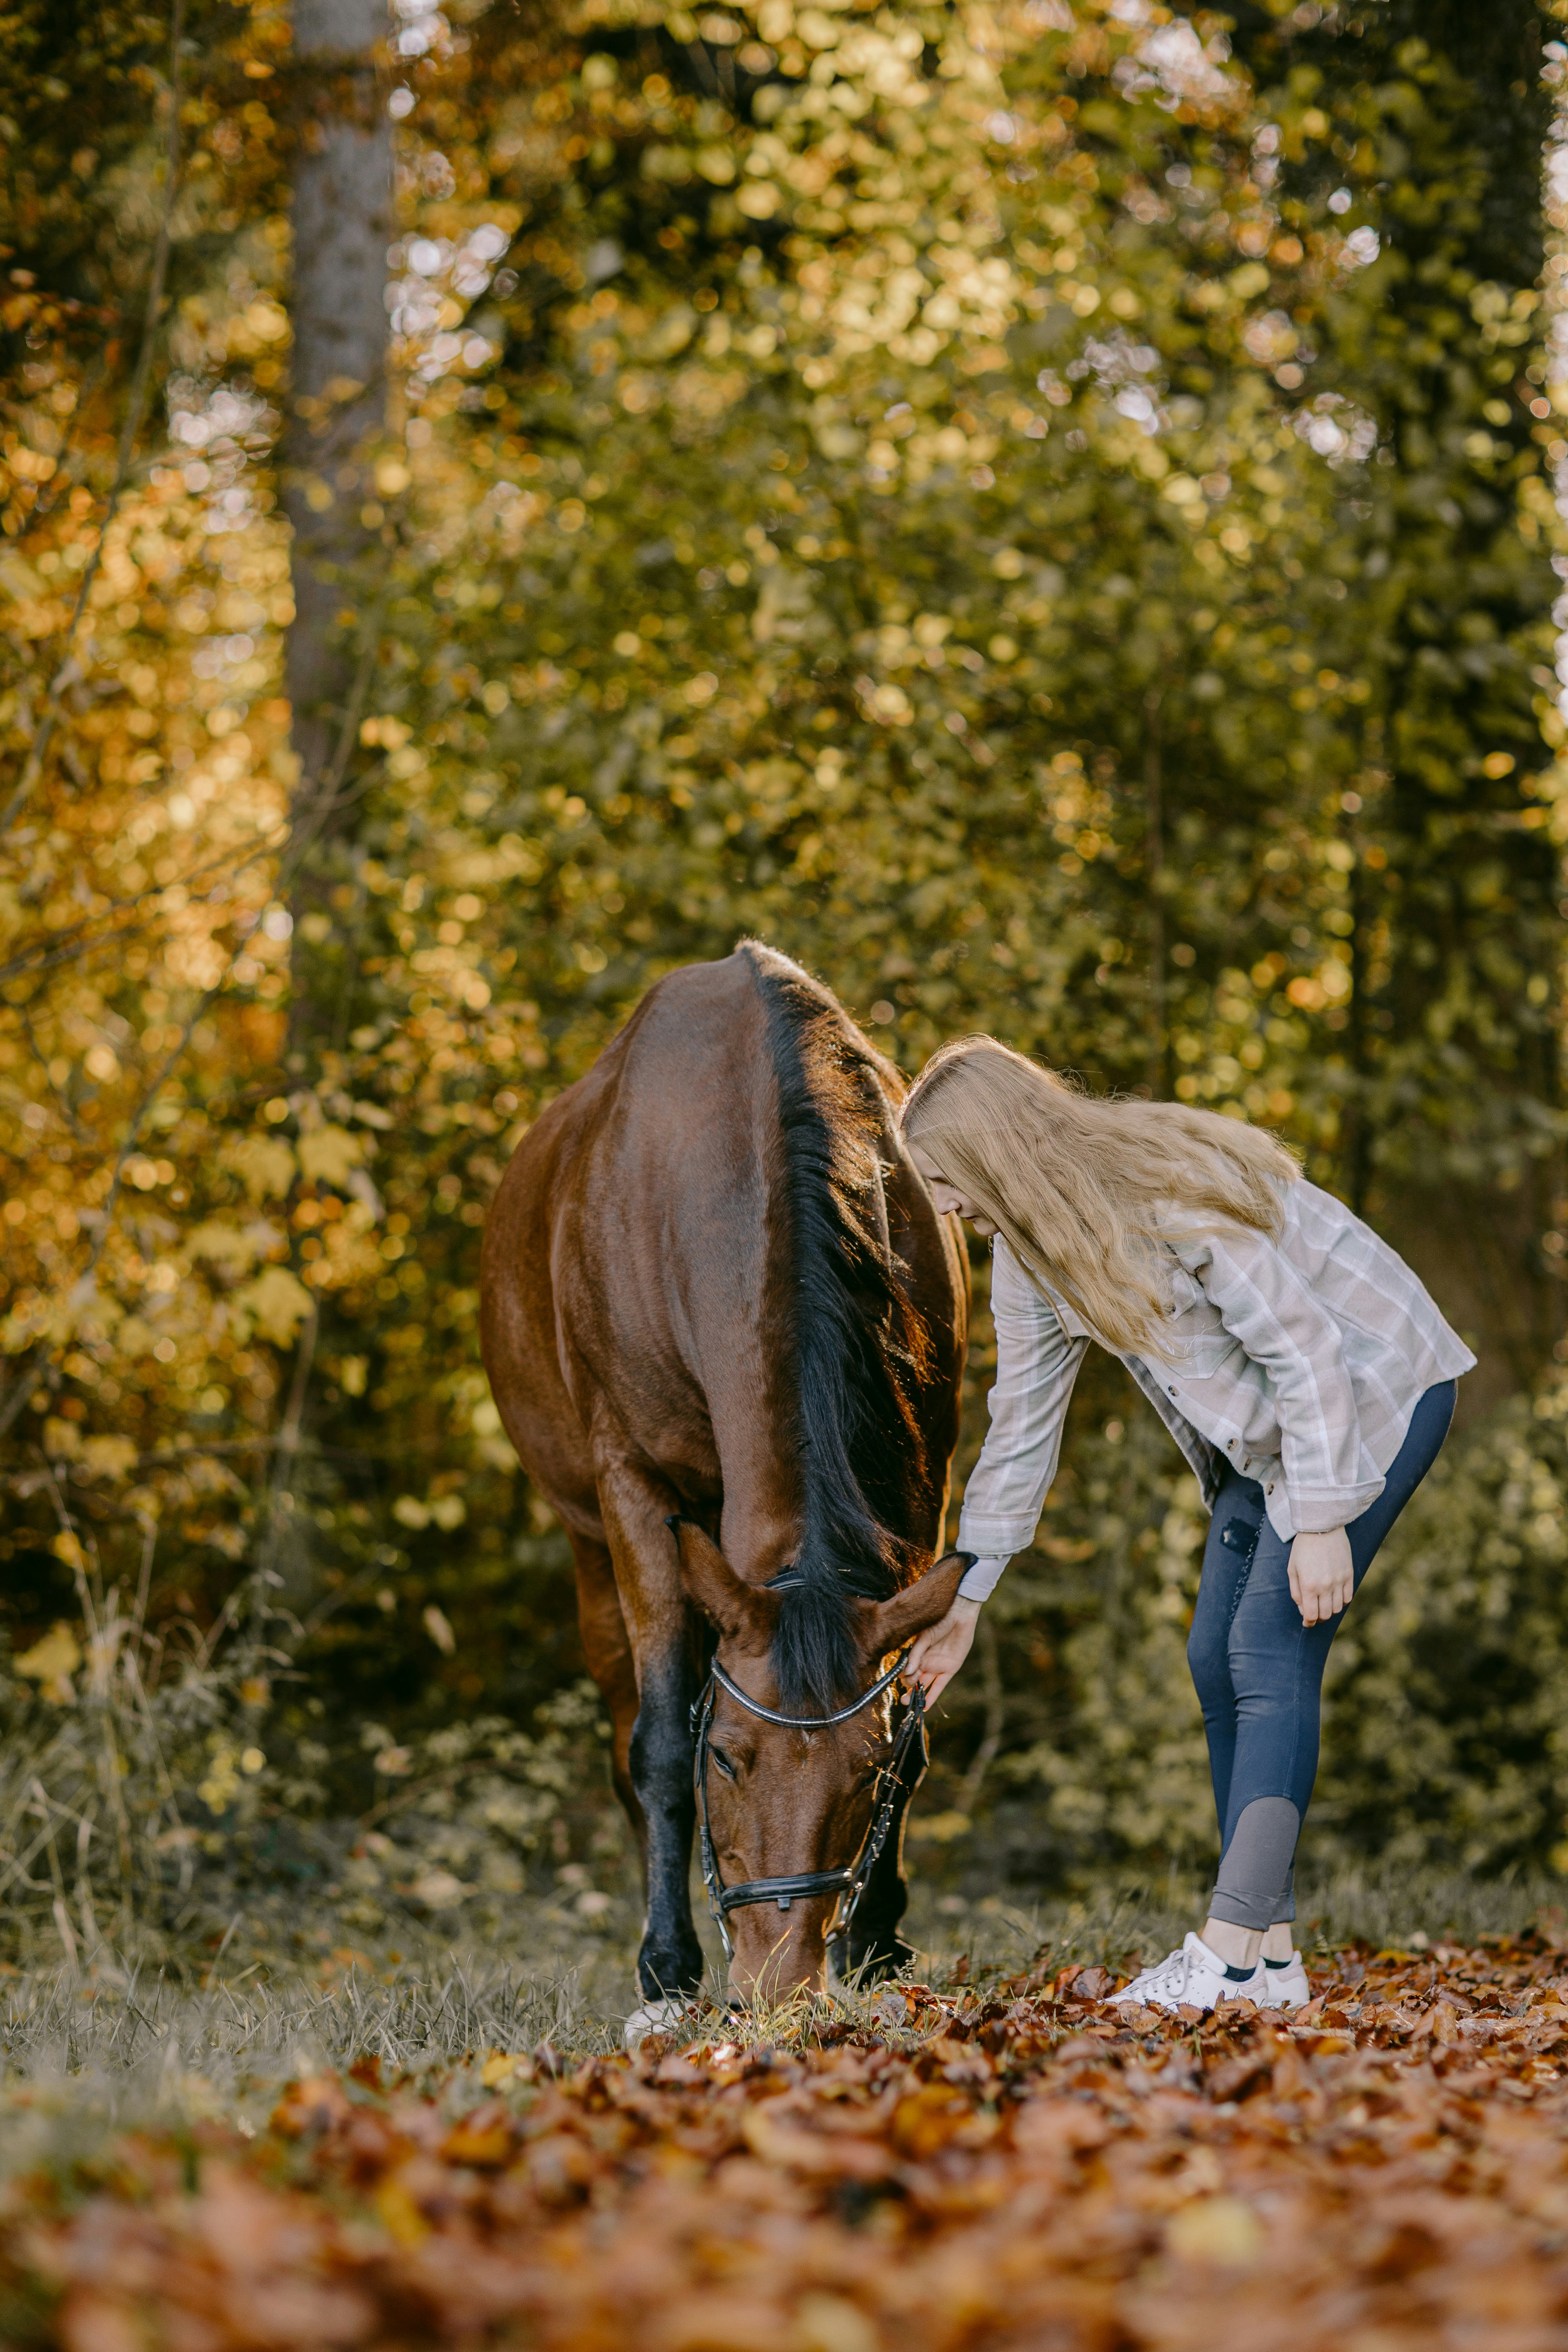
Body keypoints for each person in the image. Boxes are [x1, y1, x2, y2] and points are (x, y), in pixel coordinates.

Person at [899, 1035, 1474, 2014]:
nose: (945, 1209)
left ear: (996, 1157)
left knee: (1268, 1649)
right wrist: (969, 1597)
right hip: (1273, 1442)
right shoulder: (1033, 1261)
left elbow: (1304, 1351)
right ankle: (1273, 1964)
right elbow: (1022, 1432)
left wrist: (1327, 1518)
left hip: (1374, 1388)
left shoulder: (1166, 1194)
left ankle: (1226, 1955)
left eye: (946, 1181)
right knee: (1215, 1654)